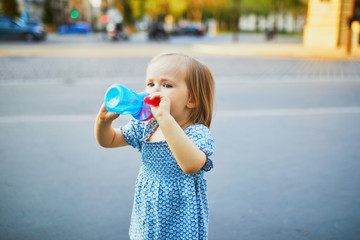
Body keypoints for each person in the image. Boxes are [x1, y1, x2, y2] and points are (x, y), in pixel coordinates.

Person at [94, 52, 215, 240]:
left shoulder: (196, 133)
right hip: (149, 209)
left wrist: (165, 119)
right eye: (150, 84)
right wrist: (102, 122)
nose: (154, 91)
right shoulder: (146, 126)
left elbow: (190, 165)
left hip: (180, 214)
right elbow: (108, 141)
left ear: (191, 99)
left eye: (166, 85)